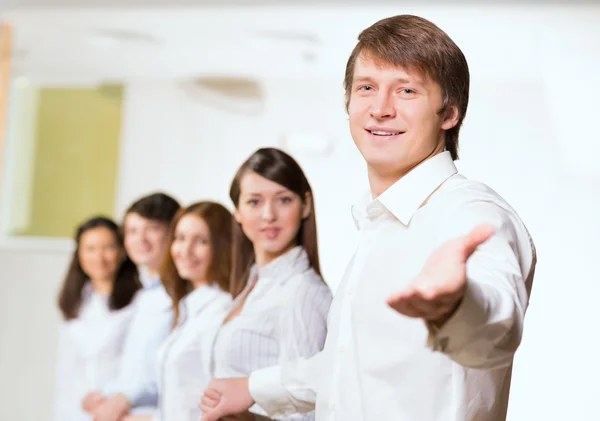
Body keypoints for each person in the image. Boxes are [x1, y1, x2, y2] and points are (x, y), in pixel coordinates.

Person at [200, 15, 537, 421]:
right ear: (348, 104)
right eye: (366, 88)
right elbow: (349, 368)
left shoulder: (472, 213)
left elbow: (496, 331)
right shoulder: (378, 223)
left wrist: (457, 305)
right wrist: (253, 388)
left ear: (448, 113)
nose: (380, 109)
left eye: (406, 90)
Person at [207, 147, 332, 420]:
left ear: (305, 205)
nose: (268, 215)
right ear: (237, 212)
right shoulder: (252, 283)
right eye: (254, 202)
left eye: (283, 200)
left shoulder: (302, 292)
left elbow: (306, 413)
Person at [123, 201, 233, 421]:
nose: (185, 250)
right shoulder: (187, 306)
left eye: (201, 241)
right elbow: (181, 399)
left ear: (222, 245)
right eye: (180, 238)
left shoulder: (223, 311)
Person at [83, 193, 180, 420]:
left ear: (173, 232)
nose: (140, 239)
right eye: (133, 231)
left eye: (152, 228)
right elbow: (136, 367)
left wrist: (125, 398)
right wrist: (106, 395)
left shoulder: (179, 297)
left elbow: (174, 373)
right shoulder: (146, 294)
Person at [53, 216, 141, 421]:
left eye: (108, 247)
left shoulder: (139, 303)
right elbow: (66, 370)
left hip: (120, 410)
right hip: (73, 410)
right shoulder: (75, 302)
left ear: (122, 252)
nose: (99, 257)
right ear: (79, 254)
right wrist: (81, 399)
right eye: (90, 249)